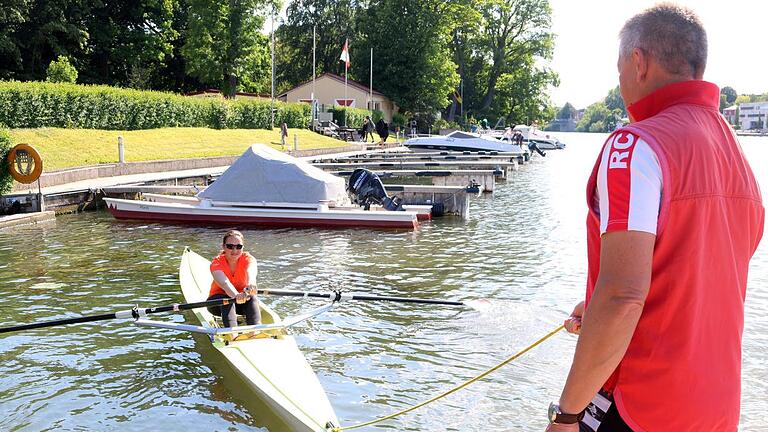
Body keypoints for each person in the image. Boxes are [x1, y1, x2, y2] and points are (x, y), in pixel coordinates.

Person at [546, 5, 763, 432]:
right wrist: (597, 307)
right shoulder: (736, 155)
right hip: (715, 409)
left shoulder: (635, 145)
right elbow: (692, 282)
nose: (620, 81)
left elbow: (623, 296)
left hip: (639, 408)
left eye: (620, 67)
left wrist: (567, 414)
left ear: (639, 62)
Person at [207, 230, 261, 328]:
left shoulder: (248, 259)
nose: (235, 250)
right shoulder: (216, 263)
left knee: (252, 298)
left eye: (238, 247)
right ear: (224, 247)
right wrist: (236, 296)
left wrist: (251, 285)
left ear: (243, 247)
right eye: (230, 246)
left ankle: (256, 331)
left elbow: (251, 273)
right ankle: (233, 334)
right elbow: (225, 283)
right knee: (227, 300)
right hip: (217, 304)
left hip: (241, 302)